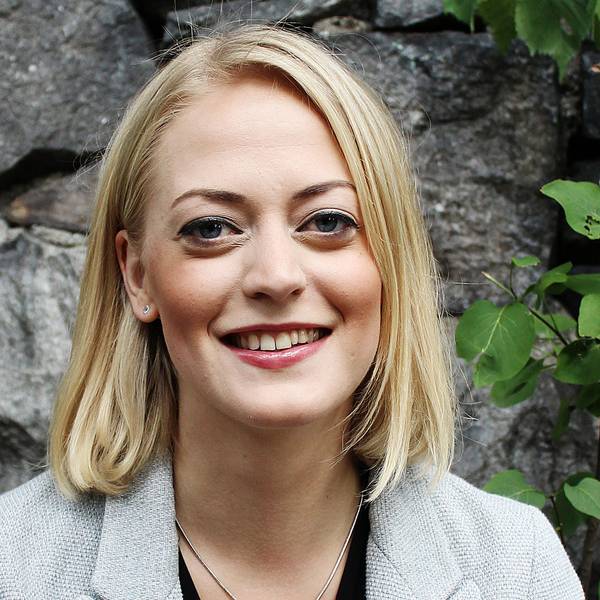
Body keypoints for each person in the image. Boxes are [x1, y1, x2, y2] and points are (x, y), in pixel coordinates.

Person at [0, 23, 584, 600]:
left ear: (392, 260)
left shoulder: (518, 569)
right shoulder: (14, 567)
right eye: (211, 228)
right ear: (137, 275)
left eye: (328, 221)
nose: (276, 277)